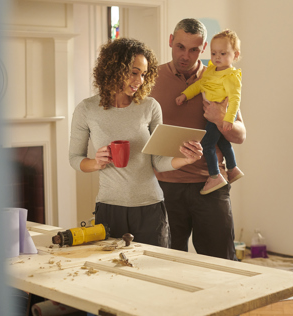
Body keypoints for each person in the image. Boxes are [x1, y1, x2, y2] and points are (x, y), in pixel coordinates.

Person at [69, 38, 203, 248]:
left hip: (150, 207)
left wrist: (185, 160)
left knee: (153, 274)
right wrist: (96, 162)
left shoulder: (150, 106)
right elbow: (74, 158)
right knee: (111, 275)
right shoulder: (86, 109)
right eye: (133, 72)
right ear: (114, 69)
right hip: (109, 207)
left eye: (143, 74)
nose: (140, 80)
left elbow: (158, 161)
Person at [150, 19, 246, 260]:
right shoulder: (151, 79)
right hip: (164, 186)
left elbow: (241, 135)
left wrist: (220, 118)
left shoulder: (220, 76)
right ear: (171, 41)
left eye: (194, 49)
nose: (186, 55)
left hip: (211, 185)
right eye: (180, 47)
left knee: (221, 263)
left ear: (203, 49)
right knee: (167, 263)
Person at [176, 29, 244, 195]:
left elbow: (235, 100)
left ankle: (215, 176)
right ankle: (233, 168)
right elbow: (200, 86)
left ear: (235, 55)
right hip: (214, 113)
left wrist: (226, 119)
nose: (217, 57)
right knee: (222, 143)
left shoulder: (231, 77)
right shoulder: (211, 71)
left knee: (207, 144)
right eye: (214, 53)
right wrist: (185, 95)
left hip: (223, 114)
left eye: (223, 53)